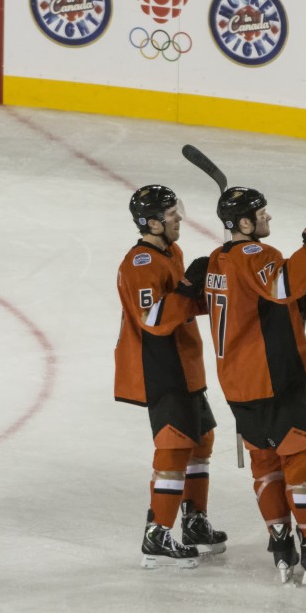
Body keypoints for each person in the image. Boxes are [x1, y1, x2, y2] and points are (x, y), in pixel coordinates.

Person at [200, 186, 306, 585]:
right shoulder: (256, 254)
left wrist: (294, 309)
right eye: (261, 213)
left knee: (266, 464)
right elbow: (280, 285)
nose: (268, 218)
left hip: (236, 382)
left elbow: (257, 303)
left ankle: (281, 544)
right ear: (243, 223)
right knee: (301, 461)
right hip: (271, 379)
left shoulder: (217, 260)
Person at [115, 184, 226, 569]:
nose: (179, 218)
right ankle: (157, 535)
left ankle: (194, 521)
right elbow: (156, 320)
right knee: (174, 448)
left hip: (186, 364)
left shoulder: (171, 252)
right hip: (161, 367)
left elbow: (184, 304)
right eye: (171, 213)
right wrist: (187, 288)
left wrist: (214, 286)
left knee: (202, 440)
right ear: (152, 223)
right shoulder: (141, 264)